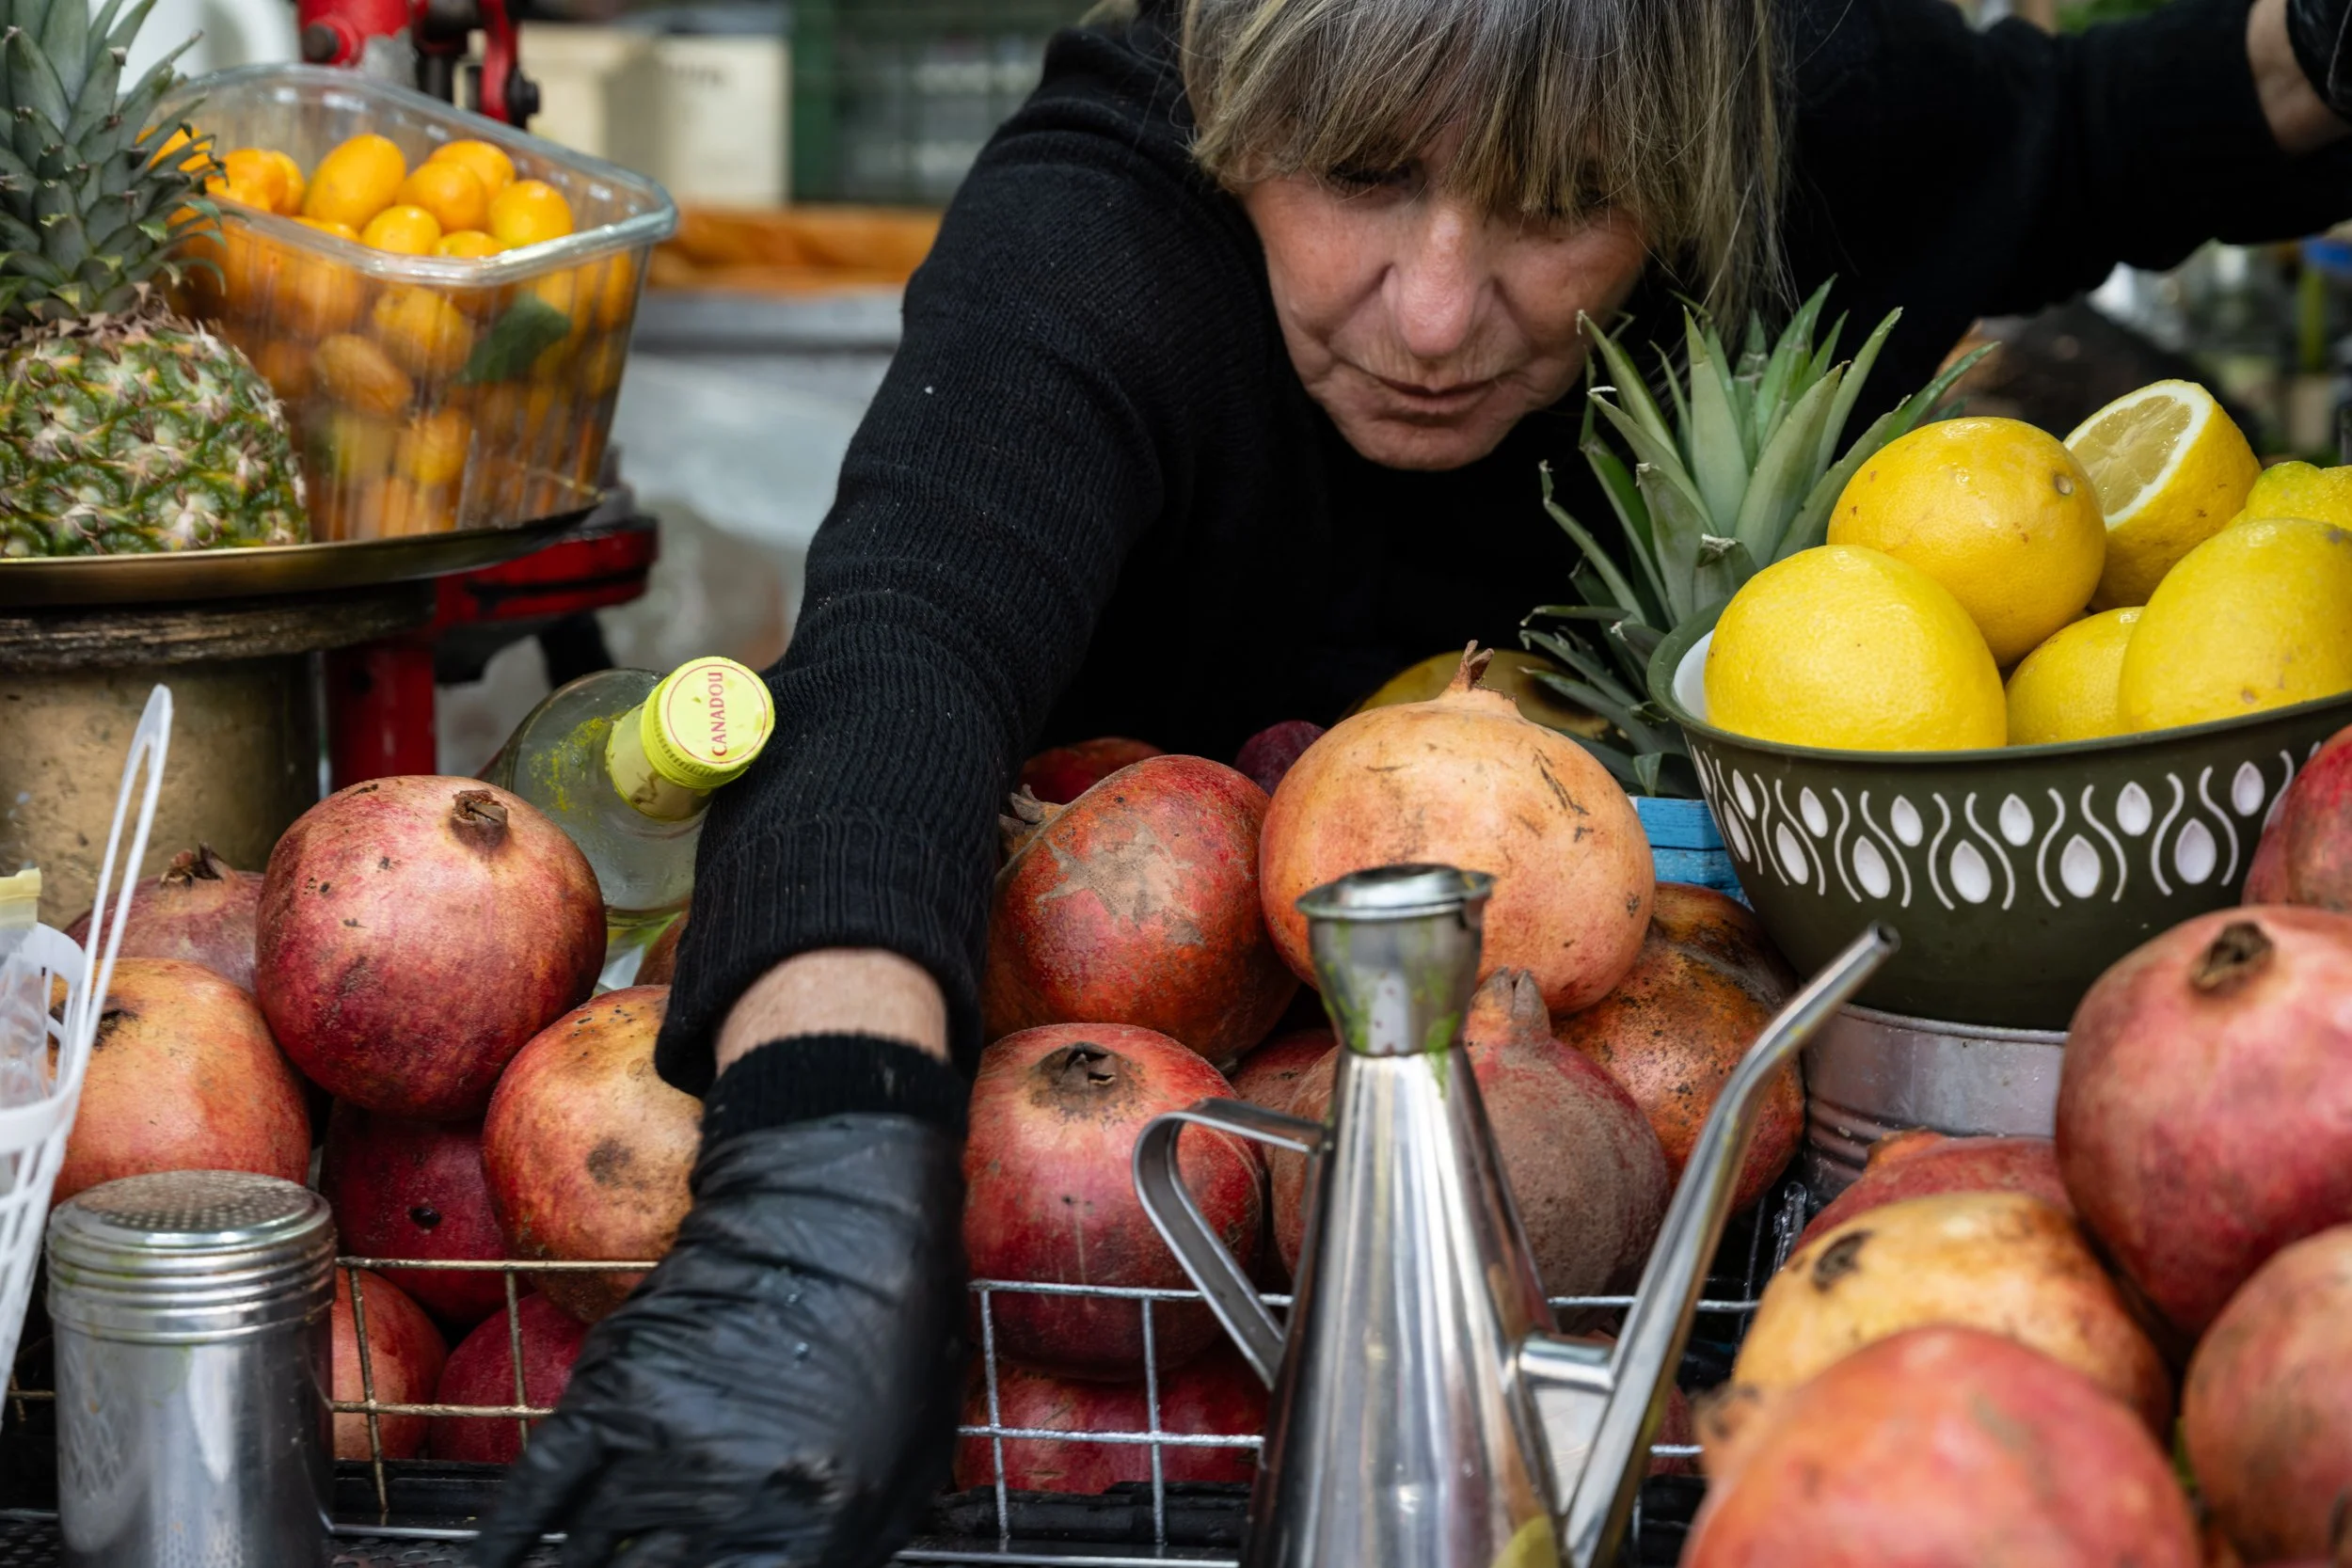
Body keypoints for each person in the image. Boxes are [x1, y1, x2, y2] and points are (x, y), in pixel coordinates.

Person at [473, 0, 2352, 1559]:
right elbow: (899, 661)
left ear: (1679, 172)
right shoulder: (1105, 216)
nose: (1435, 312)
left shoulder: (1777, 99)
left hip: (1671, 1098)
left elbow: (2109, 118)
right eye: (1361, 177)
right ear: (1239, 105)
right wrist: (817, 1172)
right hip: (1149, 1173)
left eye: (1558, 207)